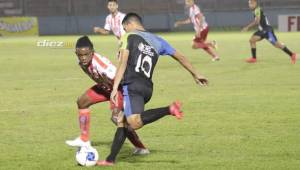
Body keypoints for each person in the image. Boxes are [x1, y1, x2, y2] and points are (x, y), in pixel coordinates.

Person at [97, 13, 208, 166]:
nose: (124, 31)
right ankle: (110, 159)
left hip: (132, 85)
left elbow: (122, 62)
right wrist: (196, 74)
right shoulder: (158, 40)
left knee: (133, 122)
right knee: (121, 120)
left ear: (129, 25)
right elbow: (180, 56)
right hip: (147, 88)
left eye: (124, 28)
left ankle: (169, 109)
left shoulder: (128, 37)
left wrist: (115, 88)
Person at [65, 36, 150, 155]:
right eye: (80, 55)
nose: (83, 58)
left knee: (117, 119)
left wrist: (124, 97)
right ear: (76, 54)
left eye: (86, 54)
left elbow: (120, 79)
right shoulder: (82, 62)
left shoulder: (102, 65)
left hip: (117, 89)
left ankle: (141, 148)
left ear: (92, 52)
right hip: (105, 87)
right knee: (82, 102)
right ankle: (84, 139)